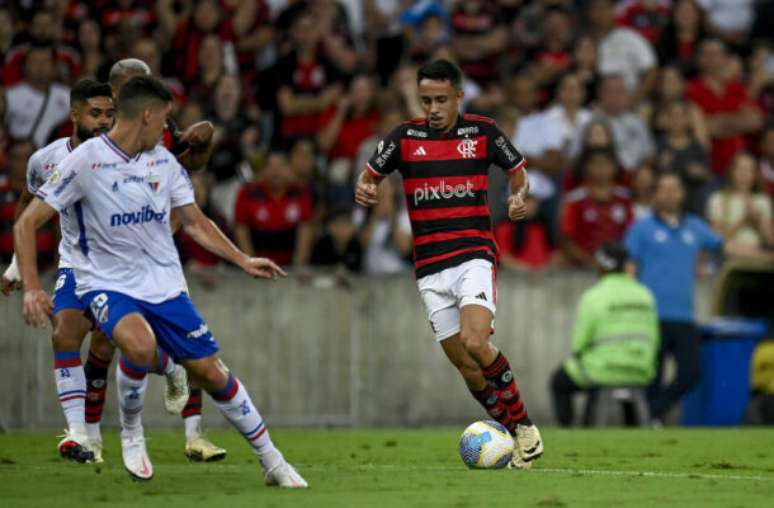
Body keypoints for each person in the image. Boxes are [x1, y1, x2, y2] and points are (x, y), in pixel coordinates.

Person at [14, 76, 307, 487]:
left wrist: (241, 258)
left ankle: (273, 461)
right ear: (147, 115)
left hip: (164, 284)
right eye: (165, 118)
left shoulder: (163, 161)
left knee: (211, 373)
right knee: (137, 343)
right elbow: (27, 222)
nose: (170, 129)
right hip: (104, 282)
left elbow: (194, 221)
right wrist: (30, 285)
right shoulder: (85, 160)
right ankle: (131, 434)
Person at [354, 59, 543, 468]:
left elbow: (518, 171)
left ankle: (526, 427)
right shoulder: (404, 138)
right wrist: (365, 189)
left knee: (477, 342)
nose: (433, 108)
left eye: (441, 99)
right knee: (468, 368)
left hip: (473, 254)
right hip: (429, 267)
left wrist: (517, 195)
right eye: (426, 101)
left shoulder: (483, 132)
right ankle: (511, 438)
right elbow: (369, 176)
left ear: (459, 96)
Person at [0, 80, 187, 465]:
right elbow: (28, 208)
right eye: (95, 113)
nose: (103, 121)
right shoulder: (46, 160)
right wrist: (18, 266)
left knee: (125, 346)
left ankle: (171, 367)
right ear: (74, 115)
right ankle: (79, 435)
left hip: (124, 270)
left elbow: (169, 201)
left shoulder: (132, 155)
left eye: (109, 114)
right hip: (77, 264)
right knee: (64, 332)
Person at [624, 172, 750, 424]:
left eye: (675, 188)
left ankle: (652, 413)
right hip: (650, 316)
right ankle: (653, 422)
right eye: (664, 188)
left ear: (683, 193)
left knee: (692, 372)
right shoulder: (642, 228)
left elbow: (727, 246)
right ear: (655, 194)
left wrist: (765, 255)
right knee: (652, 374)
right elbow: (629, 268)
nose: (670, 193)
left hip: (683, 315)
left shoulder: (695, 226)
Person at [550, 242, 660, 427]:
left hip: (601, 370)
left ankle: (569, 429)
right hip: (641, 370)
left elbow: (579, 344)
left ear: (601, 265)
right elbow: (655, 339)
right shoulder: (646, 295)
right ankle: (634, 427)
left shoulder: (593, 296)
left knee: (559, 382)